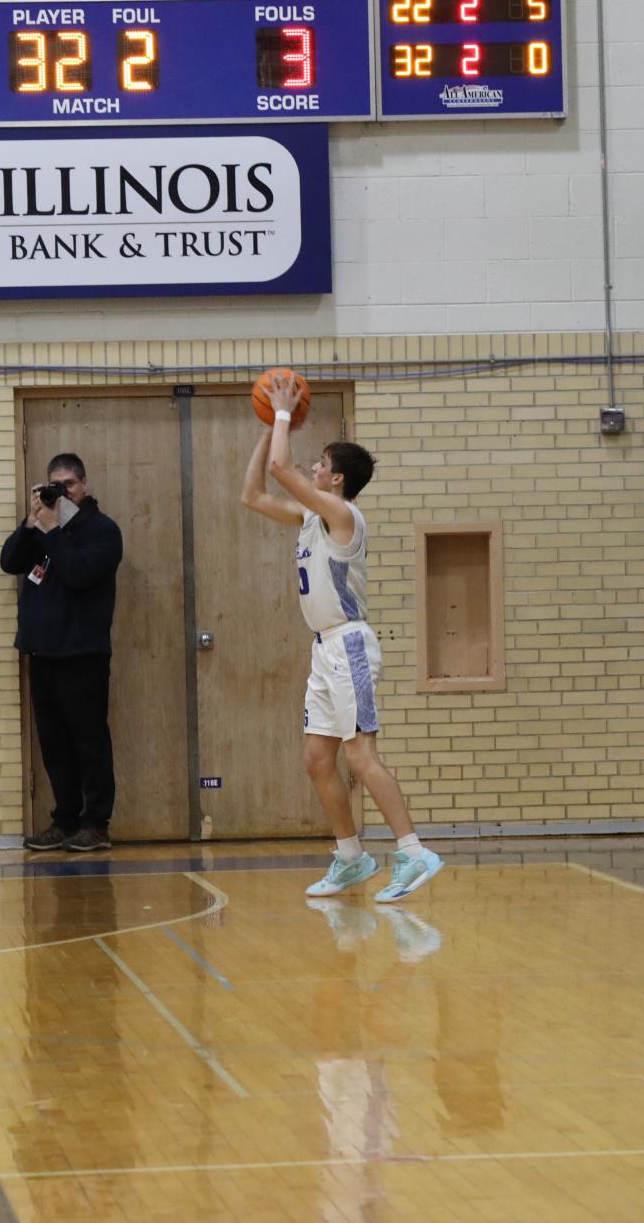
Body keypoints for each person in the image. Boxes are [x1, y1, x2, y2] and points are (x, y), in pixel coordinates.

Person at [240, 370, 442, 903]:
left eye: (322, 464)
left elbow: (283, 468)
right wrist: (267, 425)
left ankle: (414, 851)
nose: (313, 466)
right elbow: (253, 494)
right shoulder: (312, 515)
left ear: (336, 480)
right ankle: (352, 857)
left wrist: (282, 410)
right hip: (323, 649)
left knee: (360, 757)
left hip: (350, 644)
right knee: (317, 759)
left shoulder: (343, 515)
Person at [0, 453, 124, 853]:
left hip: (82, 655)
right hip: (44, 654)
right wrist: (32, 521)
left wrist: (53, 530)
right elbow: (9, 562)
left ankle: (96, 823)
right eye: (54, 485)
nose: (61, 492)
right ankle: (65, 820)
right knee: (54, 744)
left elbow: (77, 573)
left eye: (68, 485)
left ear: (84, 486)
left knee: (89, 741)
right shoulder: (43, 528)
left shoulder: (102, 531)